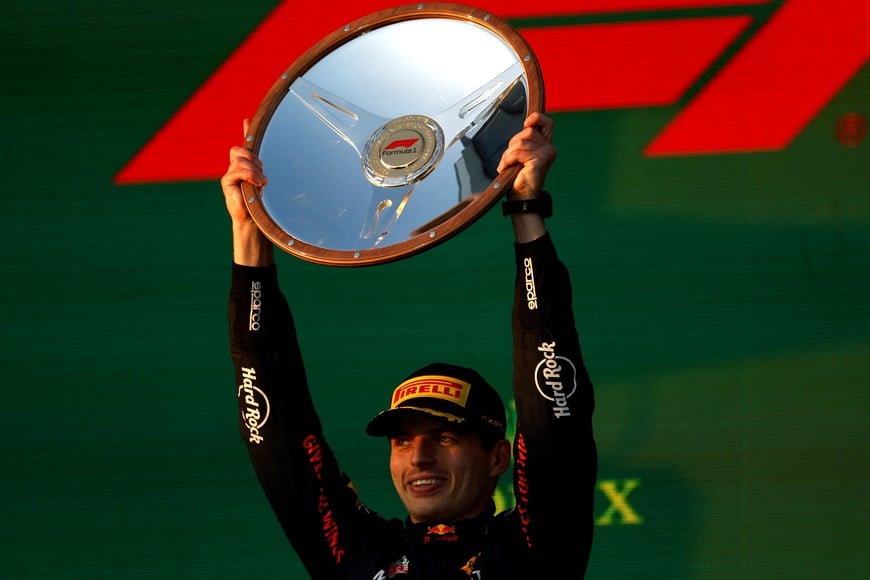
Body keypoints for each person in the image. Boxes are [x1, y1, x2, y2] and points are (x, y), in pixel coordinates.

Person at [221, 112, 597, 578]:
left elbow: (553, 419)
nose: (419, 457)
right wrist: (251, 231)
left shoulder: (532, 549)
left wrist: (525, 206)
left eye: (445, 437)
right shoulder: (360, 555)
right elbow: (278, 437)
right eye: (402, 440)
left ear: (498, 457)